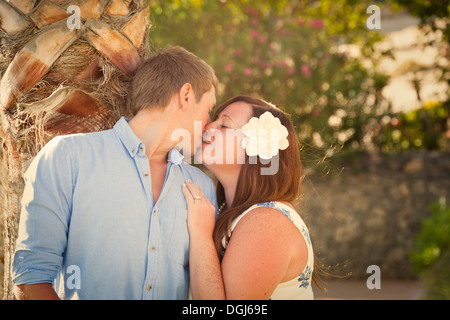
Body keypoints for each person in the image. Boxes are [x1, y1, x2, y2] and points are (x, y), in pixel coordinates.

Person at [12, 46, 218, 300]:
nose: (209, 125)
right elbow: (31, 278)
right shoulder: (68, 157)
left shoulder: (201, 187)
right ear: (186, 95)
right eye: (209, 108)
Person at [182, 95, 316, 299]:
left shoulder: (267, 221)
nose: (209, 126)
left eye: (224, 125)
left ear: (257, 149)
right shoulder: (230, 211)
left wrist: (200, 235)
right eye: (215, 118)